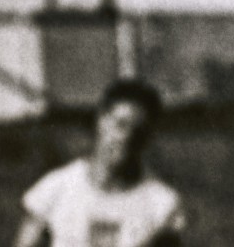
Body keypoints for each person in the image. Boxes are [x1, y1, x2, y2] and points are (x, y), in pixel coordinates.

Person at [14, 79, 185, 247]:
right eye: (121, 124)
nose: (126, 137)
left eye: (139, 131)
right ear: (101, 121)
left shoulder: (162, 204)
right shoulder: (55, 189)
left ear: (149, 137)